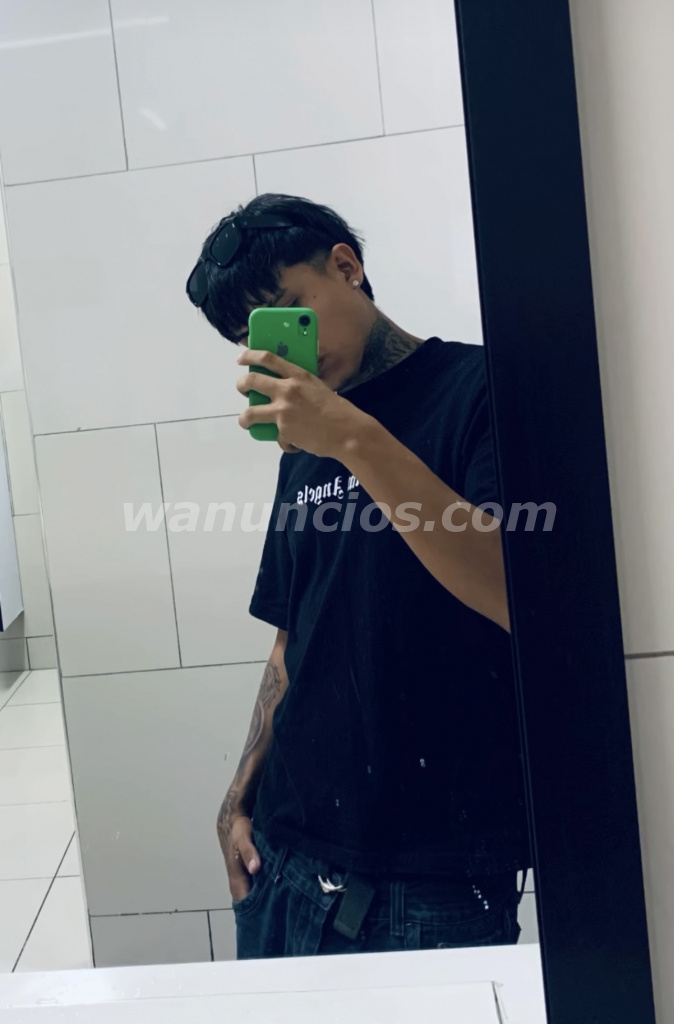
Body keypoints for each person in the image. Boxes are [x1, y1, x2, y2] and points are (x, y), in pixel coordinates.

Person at [186, 193, 531, 958]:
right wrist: (238, 797)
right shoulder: (304, 440)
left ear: (346, 266)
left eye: (290, 312)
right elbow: (292, 636)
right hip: (281, 857)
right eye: (254, 337)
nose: (286, 349)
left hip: (432, 880)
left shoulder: (481, 389)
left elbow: (517, 594)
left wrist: (351, 438)